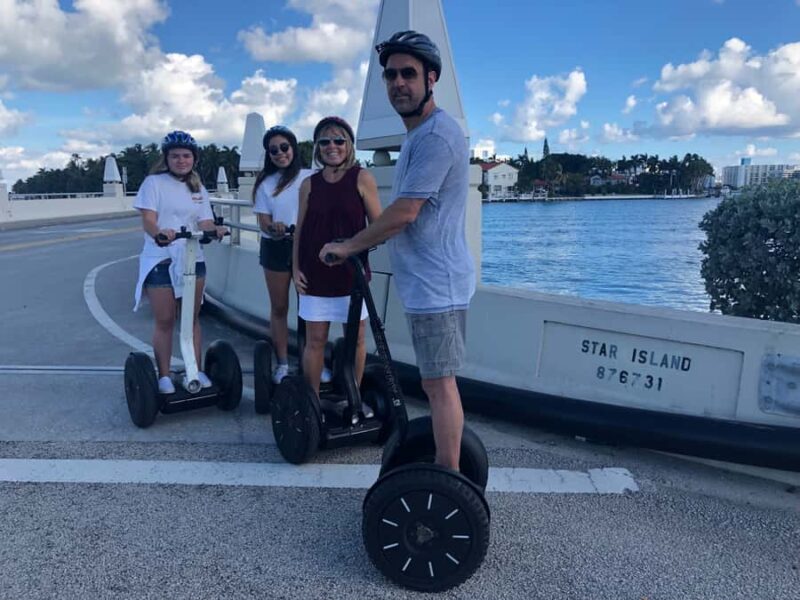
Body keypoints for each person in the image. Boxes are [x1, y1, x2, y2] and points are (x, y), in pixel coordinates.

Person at [319, 31, 475, 471]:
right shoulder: (418, 136)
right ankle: (447, 469)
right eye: (391, 75)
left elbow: (405, 213)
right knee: (436, 382)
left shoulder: (436, 136)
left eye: (408, 74)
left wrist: (349, 246)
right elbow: (401, 214)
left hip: (437, 284)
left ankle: (448, 479)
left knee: (439, 385)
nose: (398, 83)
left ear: (431, 79)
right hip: (428, 281)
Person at [293, 116, 382, 400]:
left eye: (339, 140)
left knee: (356, 339)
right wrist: (295, 268)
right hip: (315, 275)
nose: (332, 146)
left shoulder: (362, 178)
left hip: (351, 276)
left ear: (349, 145)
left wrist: (351, 248)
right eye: (325, 142)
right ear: (318, 148)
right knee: (315, 340)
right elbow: (300, 230)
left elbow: (379, 227)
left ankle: (352, 398)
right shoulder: (309, 184)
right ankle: (311, 403)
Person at [132, 130, 227, 394]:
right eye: (175, 156)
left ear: (193, 159)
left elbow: (205, 221)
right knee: (165, 320)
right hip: (161, 259)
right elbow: (148, 219)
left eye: (186, 156)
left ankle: (195, 370)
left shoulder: (198, 188)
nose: (181, 160)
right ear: (167, 159)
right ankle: (164, 375)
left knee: (191, 319)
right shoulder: (153, 183)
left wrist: (215, 230)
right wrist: (159, 233)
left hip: (192, 257)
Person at [252, 125, 316, 384]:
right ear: (269, 155)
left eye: (284, 147)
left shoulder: (311, 176)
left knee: (310, 308)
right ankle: (282, 363)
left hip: (307, 247)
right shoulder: (265, 183)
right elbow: (264, 221)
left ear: (293, 148)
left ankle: (312, 360)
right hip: (276, 248)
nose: (280, 153)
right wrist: (273, 228)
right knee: (279, 307)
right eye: (274, 150)